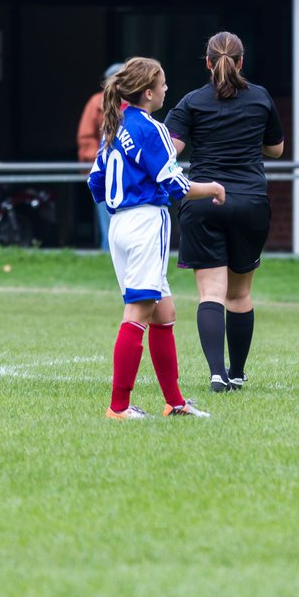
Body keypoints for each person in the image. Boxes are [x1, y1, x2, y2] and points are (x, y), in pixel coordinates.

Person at [87, 57, 225, 420]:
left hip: (119, 225)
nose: (167, 89)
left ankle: (175, 403)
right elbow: (173, 183)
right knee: (137, 311)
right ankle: (118, 407)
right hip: (146, 223)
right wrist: (212, 188)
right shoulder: (152, 128)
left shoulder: (115, 126)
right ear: (148, 92)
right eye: (162, 84)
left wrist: (125, 197)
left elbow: (95, 182)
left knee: (164, 313)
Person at [165, 32, 285, 392]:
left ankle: (216, 373)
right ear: (241, 61)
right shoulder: (260, 97)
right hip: (249, 202)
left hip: (203, 202)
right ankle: (237, 372)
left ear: (207, 62)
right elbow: (276, 149)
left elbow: (169, 150)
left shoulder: (191, 101)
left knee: (211, 294)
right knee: (239, 295)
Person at [77, 61, 125, 250]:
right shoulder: (96, 103)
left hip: (129, 172)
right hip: (105, 171)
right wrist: (102, 159)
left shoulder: (133, 102)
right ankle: (108, 254)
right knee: (107, 219)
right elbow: (85, 138)